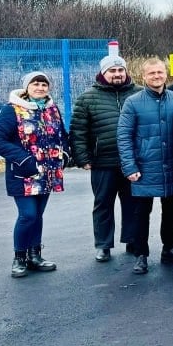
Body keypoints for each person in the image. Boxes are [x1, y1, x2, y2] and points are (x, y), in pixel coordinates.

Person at [0, 71, 69, 278]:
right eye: (36, 84)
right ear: (27, 87)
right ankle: (19, 257)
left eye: (44, 85)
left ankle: (35, 255)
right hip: (23, 173)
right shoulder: (13, 110)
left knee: (38, 215)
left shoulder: (52, 109)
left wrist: (66, 153)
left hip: (48, 172)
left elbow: (62, 134)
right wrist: (24, 159)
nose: (40, 88)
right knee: (28, 215)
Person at [117, 58, 173, 274]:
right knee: (141, 213)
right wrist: (129, 167)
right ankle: (141, 254)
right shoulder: (133, 102)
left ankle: (168, 248)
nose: (156, 76)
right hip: (144, 167)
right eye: (152, 73)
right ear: (144, 76)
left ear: (166, 73)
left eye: (160, 72)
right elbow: (123, 135)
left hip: (172, 166)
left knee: (171, 212)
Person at [71, 54, 139, 263]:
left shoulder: (139, 94)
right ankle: (103, 245)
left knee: (133, 204)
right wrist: (82, 157)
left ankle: (132, 240)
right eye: (112, 71)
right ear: (103, 73)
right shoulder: (87, 98)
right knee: (103, 204)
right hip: (102, 162)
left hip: (132, 162)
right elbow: (78, 131)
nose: (117, 74)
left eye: (120, 70)